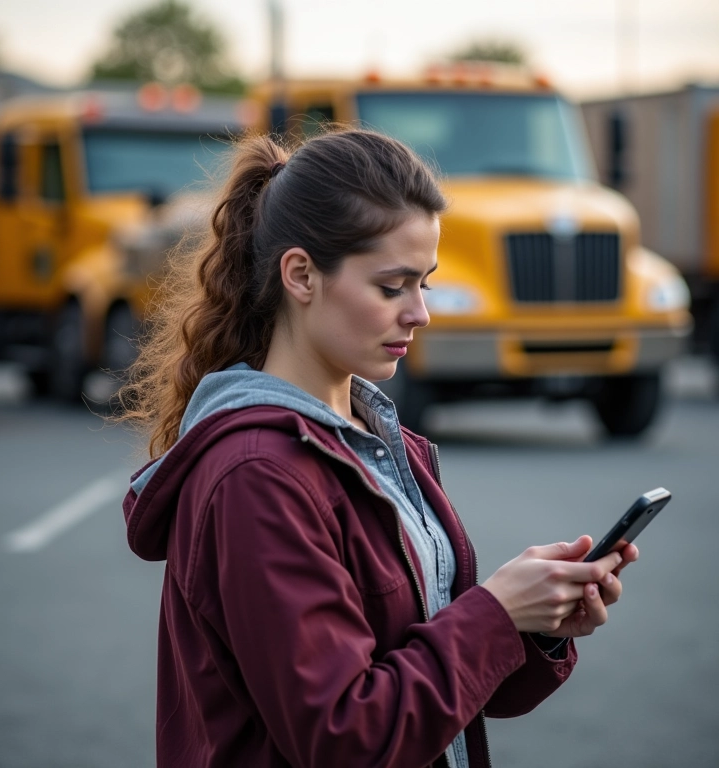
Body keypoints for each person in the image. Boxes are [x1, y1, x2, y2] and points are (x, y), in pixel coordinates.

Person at [120, 129, 638, 768]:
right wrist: (496, 615)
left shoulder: (381, 442)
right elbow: (344, 737)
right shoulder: (257, 475)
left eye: (425, 282)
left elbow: (430, 682)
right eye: (393, 286)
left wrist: (533, 626)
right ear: (302, 275)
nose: (420, 312)